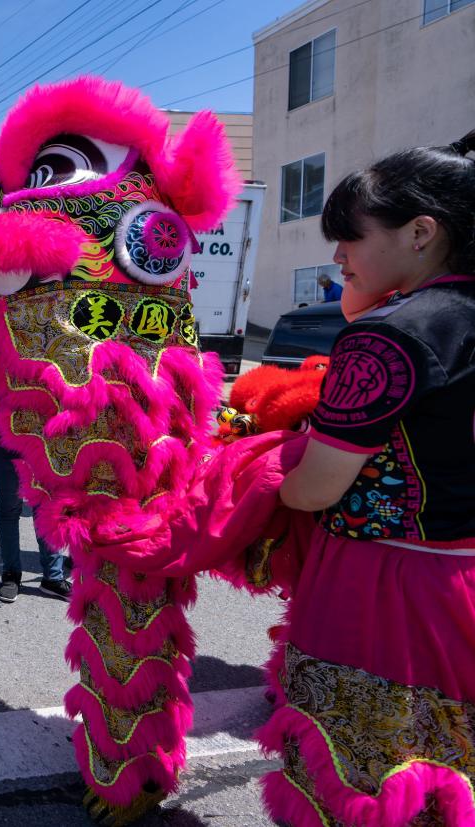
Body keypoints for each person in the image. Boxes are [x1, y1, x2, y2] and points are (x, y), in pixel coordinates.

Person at [225, 133, 475, 825]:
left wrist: (262, 464)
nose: (337, 256)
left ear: (422, 232)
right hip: (462, 572)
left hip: (386, 586)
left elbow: (314, 489)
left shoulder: (389, 334)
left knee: (363, 774)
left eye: (350, 238)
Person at [0, 397, 71, 602]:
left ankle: (53, 577)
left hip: (42, 433)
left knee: (46, 502)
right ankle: (11, 574)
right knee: (10, 503)